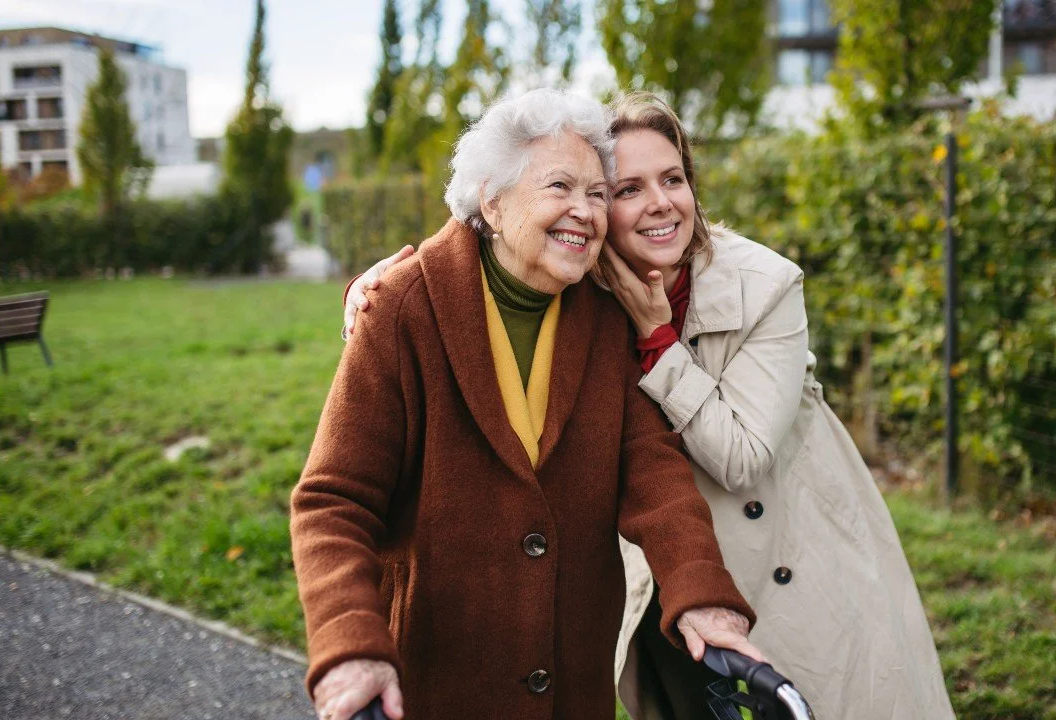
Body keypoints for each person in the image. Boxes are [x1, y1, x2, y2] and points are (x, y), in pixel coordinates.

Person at [343, 92, 955, 720]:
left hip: (792, 561)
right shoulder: (585, 284)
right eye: (626, 188)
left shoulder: (765, 285)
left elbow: (736, 458)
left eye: (674, 179)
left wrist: (658, 343)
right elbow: (496, 239)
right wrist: (377, 294)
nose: (660, 202)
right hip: (671, 569)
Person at [292, 88, 763, 720]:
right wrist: (350, 644)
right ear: (492, 198)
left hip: (571, 683)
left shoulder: (601, 314)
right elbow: (334, 501)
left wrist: (702, 592)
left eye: (597, 193)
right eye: (560, 187)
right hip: (434, 683)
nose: (586, 211)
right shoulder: (402, 308)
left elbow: (653, 471)